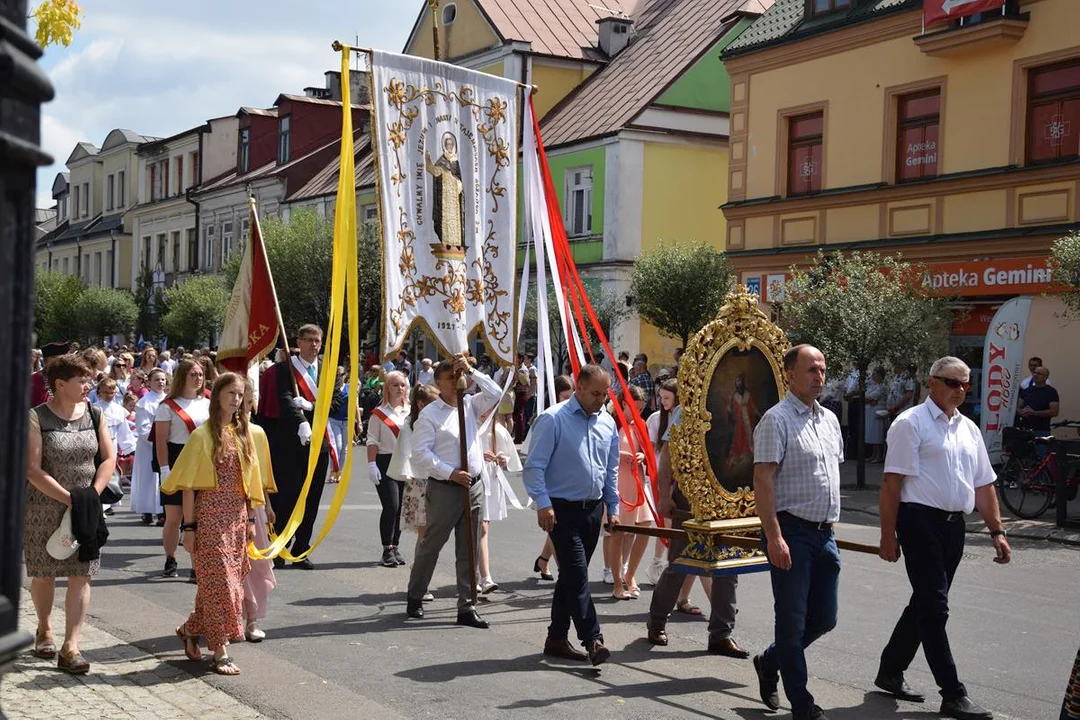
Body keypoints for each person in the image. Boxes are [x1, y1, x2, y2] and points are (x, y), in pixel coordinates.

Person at [876, 356, 1011, 720]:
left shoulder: (969, 428)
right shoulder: (910, 424)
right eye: (953, 382)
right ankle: (952, 693)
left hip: (954, 526)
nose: (960, 390)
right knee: (935, 608)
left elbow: (984, 484)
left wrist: (997, 531)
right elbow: (892, 484)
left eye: (966, 384)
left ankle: (890, 669)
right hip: (919, 521)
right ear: (932, 382)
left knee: (925, 603)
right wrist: (887, 535)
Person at [752, 344, 844, 720]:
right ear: (790, 375)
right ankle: (802, 705)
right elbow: (763, 480)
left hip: (825, 534)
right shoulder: (776, 420)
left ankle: (770, 660)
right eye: (811, 370)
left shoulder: (830, 419)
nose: (819, 377)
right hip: (791, 530)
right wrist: (774, 536)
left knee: (824, 618)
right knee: (791, 620)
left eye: (822, 370)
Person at [163, 373, 268, 676]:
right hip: (208, 518)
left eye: (240, 394)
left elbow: (249, 483)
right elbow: (187, 487)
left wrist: (249, 520)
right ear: (218, 395)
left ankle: (188, 630)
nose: (236, 399)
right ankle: (220, 651)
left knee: (223, 586)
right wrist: (189, 528)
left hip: (236, 519)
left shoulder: (245, 434)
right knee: (221, 584)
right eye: (231, 393)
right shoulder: (202, 435)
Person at [523, 364, 620, 666]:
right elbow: (534, 466)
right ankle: (593, 639)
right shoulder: (553, 419)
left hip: (592, 510)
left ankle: (556, 638)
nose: (601, 400)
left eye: (605, 394)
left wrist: (612, 507)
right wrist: (542, 503)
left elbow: (610, 470)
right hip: (560, 509)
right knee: (578, 574)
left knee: (570, 578)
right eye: (595, 393)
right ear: (578, 387)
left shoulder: (607, 423)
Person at [25, 353, 115, 674]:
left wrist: (91, 495)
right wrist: (68, 498)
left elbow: (107, 459)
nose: (89, 385)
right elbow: (32, 469)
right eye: (82, 380)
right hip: (45, 506)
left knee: (82, 574)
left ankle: (71, 646)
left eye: (89, 379)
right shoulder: (36, 418)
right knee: (45, 572)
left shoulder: (95, 414)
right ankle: (45, 626)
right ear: (60, 385)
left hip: (85, 506)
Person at [646, 380, 746, 659]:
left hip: (726, 498)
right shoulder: (687, 409)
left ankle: (721, 634)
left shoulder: (735, 406)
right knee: (680, 562)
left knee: (727, 565)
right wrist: (664, 495)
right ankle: (656, 621)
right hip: (691, 497)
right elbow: (667, 455)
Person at [405, 356, 504, 628]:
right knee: (432, 544)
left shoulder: (470, 404)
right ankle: (415, 593)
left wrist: (471, 370)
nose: (459, 381)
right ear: (439, 383)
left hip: (473, 485)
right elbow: (421, 454)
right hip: (446, 486)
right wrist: (449, 471)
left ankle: (467, 604)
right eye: (452, 378)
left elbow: (495, 393)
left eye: (460, 376)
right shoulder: (430, 414)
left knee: (469, 546)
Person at [271, 324, 343, 570]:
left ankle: (301, 548)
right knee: (288, 496)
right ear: (298, 342)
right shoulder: (285, 369)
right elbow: (284, 398)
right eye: (309, 340)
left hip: (319, 442)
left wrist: (312, 407)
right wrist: (300, 420)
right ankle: (279, 547)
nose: (314, 345)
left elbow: (334, 400)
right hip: (291, 440)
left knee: (312, 498)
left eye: (317, 341)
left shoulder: (327, 370)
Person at [155, 359, 211, 579]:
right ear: (182, 377)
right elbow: (161, 441)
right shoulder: (167, 406)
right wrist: (165, 469)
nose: (198, 378)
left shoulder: (207, 403)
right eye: (193, 375)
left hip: (202, 460)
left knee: (198, 516)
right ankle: (171, 558)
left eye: (200, 374)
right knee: (174, 516)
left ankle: (196, 564)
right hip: (177, 459)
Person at [391, 383, 440, 602]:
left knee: (431, 535)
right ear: (421, 404)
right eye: (433, 401)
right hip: (421, 483)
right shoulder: (411, 425)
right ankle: (420, 580)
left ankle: (421, 577)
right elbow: (411, 455)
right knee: (425, 535)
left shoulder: (434, 421)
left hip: (437, 481)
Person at [605, 385, 652, 600]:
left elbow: (646, 452)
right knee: (619, 532)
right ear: (624, 403)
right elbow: (602, 449)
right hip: (619, 483)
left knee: (644, 527)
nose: (639, 413)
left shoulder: (639, 425)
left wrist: (642, 456)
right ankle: (617, 582)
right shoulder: (611, 423)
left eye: (641, 409)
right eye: (636, 408)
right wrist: (621, 454)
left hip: (637, 482)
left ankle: (630, 574)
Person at [242, 378, 278, 643]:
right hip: (224, 506)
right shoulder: (213, 431)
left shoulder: (257, 432)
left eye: (244, 396)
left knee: (255, 564)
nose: (241, 401)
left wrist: (268, 504)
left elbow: (262, 474)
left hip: (255, 505)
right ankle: (226, 618)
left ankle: (251, 618)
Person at [531, 374, 573, 582]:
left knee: (558, 527)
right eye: (565, 396)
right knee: (557, 526)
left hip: (568, 480)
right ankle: (564, 570)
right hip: (552, 482)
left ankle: (543, 560)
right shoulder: (548, 417)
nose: (570, 399)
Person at [368, 370, 410, 567]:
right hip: (385, 462)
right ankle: (387, 548)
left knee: (402, 508)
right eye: (395, 384)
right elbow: (372, 441)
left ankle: (395, 546)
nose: (399, 388)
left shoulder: (411, 411)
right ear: (387, 388)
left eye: (402, 384)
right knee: (391, 505)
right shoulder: (379, 414)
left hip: (405, 463)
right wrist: (371, 463)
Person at [477, 410, 522, 594]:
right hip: (474, 480)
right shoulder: (470, 427)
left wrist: (503, 459)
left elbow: (510, 456)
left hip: (491, 480)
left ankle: (483, 576)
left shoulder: (498, 430)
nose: (484, 412)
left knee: (482, 527)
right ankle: (481, 575)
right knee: (478, 528)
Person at [131, 369, 167, 525]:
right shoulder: (144, 403)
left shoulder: (169, 400)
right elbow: (143, 428)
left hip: (166, 444)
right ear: (149, 383)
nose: (161, 382)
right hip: (148, 446)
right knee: (148, 477)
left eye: (163, 380)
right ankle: (147, 509)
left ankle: (162, 511)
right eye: (157, 380)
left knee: (163, 477)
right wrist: (156, 440)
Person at [1017, 365, 1059, 438]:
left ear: (1045, 377)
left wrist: (1034, 413)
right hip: (1024, 430)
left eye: (1039, 373)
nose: (1035, 375)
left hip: (1041, 431)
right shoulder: (1027, 390)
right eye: (1034, 373)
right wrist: (1021, 412)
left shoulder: (1051, 392)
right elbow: (1018, 406)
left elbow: (1054, 412)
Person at [31, 341, 71, 406]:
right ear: (45, 361)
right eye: (56, 360)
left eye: (63, 361)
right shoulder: (33, 381)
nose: (60, 364)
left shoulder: (71, 379)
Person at [865, 367, 888, 464]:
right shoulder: (872, 385)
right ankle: (873, 454)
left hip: (878, 412)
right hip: (870, 411)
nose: (874, 377)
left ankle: (879, 456)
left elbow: (868, 398)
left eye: (876, 375)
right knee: (871, 434)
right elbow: (865, 396)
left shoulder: (882, 387)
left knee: (877, 434)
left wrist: (869, 400)